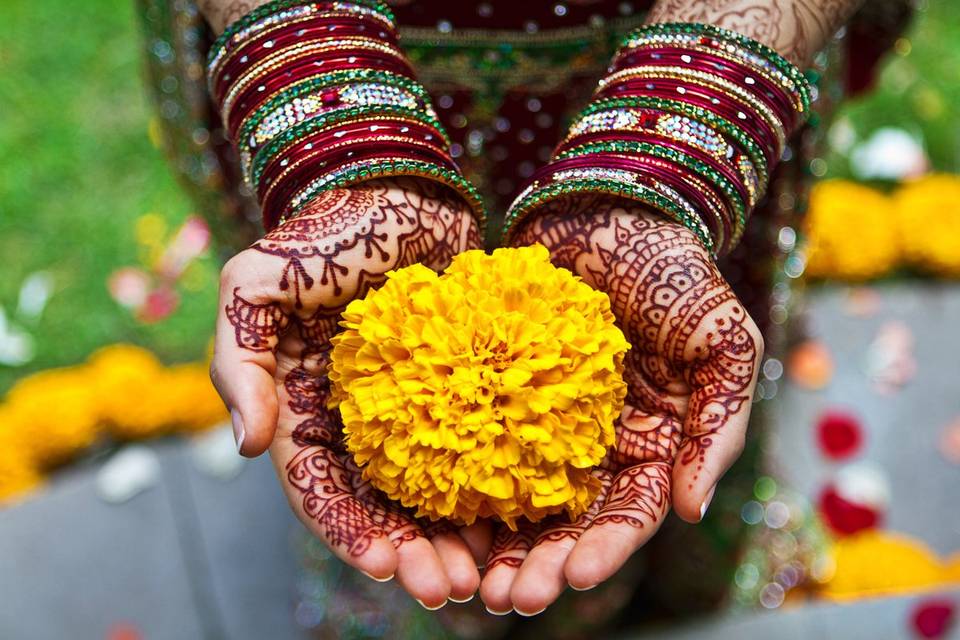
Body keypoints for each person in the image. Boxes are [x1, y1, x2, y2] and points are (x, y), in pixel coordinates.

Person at [139, 0, 909, 634]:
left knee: (684, 347)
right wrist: (330, 122)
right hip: (311, 38)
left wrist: (686, 121)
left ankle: (671, 582)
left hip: (704, 31)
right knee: (320, 333)